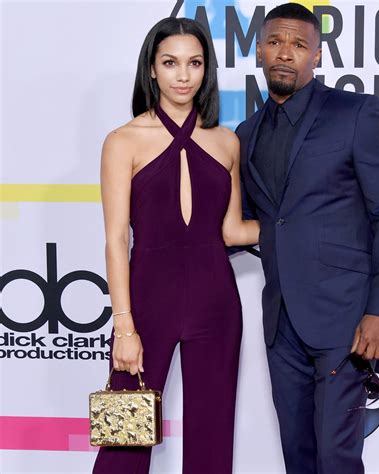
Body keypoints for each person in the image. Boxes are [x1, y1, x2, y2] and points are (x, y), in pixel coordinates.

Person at [235, 4, 379, 473]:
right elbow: (250, 223)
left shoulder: (356, 113)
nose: (285, 54)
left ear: (317, 54)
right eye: (275, 42)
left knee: (337, 456)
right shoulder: (247, 133)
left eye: (298, 44)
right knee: (299, 453)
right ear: (258, 50)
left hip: (346, 318)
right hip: (281, 321)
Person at [92, 17, 259, 474]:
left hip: (217, 304)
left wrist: (305, 224)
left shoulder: (226, 142)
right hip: (146, 304)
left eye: (194, 63)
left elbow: (232, 232)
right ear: (152, 69)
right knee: (124, 438)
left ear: (206, 70)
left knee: (212, 437)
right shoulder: (123, 141)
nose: (183, 75)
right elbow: (114, 237)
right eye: (170, 63)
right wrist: (123, 327)